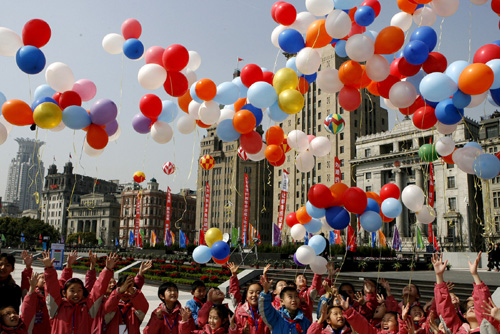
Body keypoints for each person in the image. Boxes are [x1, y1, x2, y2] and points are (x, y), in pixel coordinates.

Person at [42, 250, 118, 334]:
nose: (76, 294)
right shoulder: (56, 307)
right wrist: (49, 269)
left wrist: (107, 270)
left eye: (79, 290)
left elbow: (98, 289)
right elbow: (52, 289)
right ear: (64, 293)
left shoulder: (88, 308)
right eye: (72, 290)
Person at [227, 262, 269, 334]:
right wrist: (234, 276)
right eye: (251, 292)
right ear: (246, 296)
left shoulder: (268, 310)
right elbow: (234, 291)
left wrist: (264, 277)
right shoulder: (240, 310)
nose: (254, 295)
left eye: (258, 292)